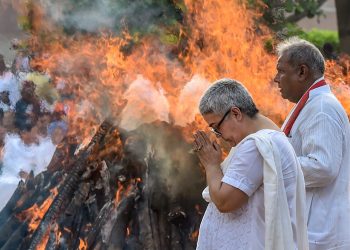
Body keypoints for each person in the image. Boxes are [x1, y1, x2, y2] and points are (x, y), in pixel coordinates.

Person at [193, 78, 308, 250]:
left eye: (217, 127)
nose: (219, 136)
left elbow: (225, 202)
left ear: (236, 113)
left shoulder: (257, 146)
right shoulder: (267, 138)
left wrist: (211, 164)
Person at [274, 37, 350, 250]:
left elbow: (323, 167)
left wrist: (271, 163)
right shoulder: (312, 104)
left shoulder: (322, 109)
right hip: (313, 232)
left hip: (320, 234)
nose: (275, 78)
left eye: (281, 71)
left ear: (302, 72)